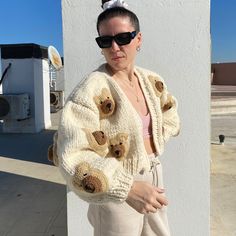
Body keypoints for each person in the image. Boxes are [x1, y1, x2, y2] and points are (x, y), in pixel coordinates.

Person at [56, 0, 180, 235]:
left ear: (139, 39)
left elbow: (170, 113)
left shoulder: (151, 80)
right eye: (105, 41)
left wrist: (156, 141)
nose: (114, 47)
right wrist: (128, 187)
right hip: (115, 187)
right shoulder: (91, 89)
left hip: (154, 175)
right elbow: (71, 156)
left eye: (123, 38)